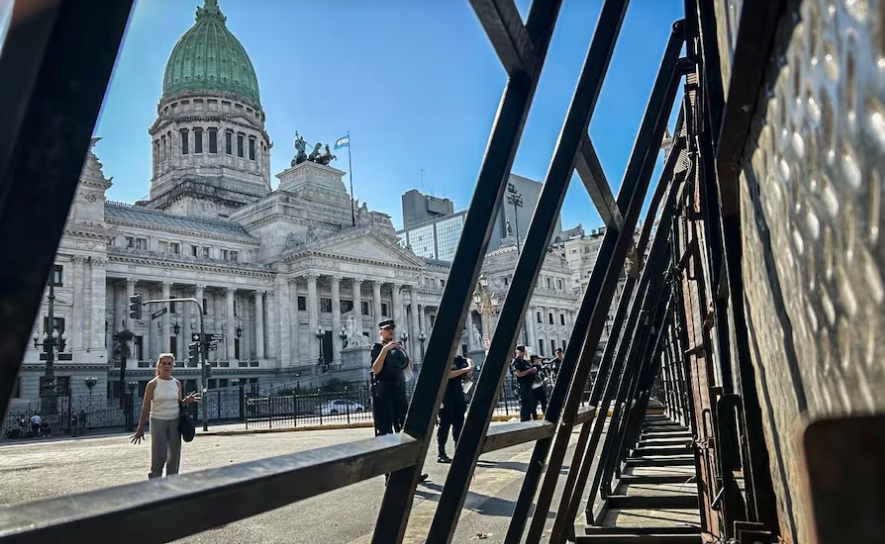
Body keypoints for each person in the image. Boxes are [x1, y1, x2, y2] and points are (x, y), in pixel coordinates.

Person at [370, 320, 428, 484]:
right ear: (381, 332)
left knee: (405, 430)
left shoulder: (398, 348)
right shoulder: (377, 348)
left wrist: (403, 351)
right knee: (386, 433)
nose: (390, 333)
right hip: (383, 393)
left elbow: (407, 368)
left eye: (392, 330)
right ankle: (388, 474)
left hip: (399, 390)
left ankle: (412, 471)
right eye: (387, 330)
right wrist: (385, 350)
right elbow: (375, 369)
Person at [131, 353, 198, 479]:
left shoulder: (177, 383)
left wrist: (186, 401)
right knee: (159, 455)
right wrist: (140, 428)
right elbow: (145, 407)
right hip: (158, 420)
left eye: (169, 363)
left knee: (174, 456)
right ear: (159, 366)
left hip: (175, 421)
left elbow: (179, 404)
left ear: (173, 366)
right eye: (163, 363)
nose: (166, 366)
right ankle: (155, 480)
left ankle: (172, 481)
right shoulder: (153, 384)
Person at [437, 354, 474, 463]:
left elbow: (468, 359)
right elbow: (447, 374)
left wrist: (470, 367)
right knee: (444, 424)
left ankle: (459, 450)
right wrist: (464, 370)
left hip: (458, 395)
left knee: (459, 424)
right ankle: (441, 453)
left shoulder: (457, 358)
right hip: (445, 396)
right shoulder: (441, 359)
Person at [510, 345, 537, 421]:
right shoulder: (516, 362)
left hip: (528, 385)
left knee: (529, 403)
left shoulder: (525, 362)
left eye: (523, 351)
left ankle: (529, 418)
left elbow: (531, 369)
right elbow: (519, 374)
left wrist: (533, 370)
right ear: (517, 352)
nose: (522, 353)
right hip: (521, 386)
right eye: (520, 351)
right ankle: (524, 419)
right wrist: (529, 370)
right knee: (524, 404)